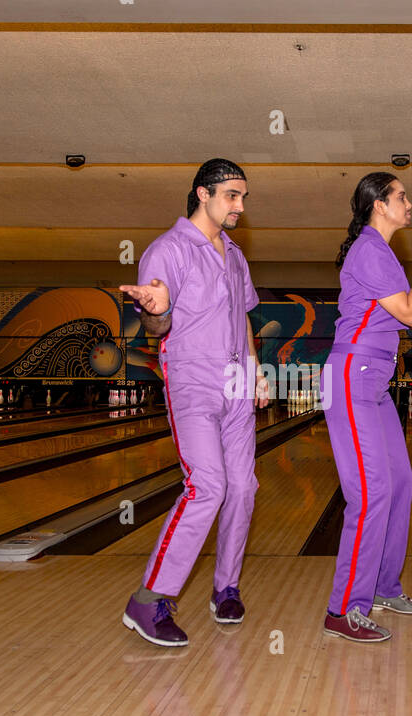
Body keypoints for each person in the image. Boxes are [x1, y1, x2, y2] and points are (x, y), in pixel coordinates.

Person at [118, 159, 269, 647]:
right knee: (207, 487)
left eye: (243, 197)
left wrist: (255, 369)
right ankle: (149, 599)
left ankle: (226, 586)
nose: (239, 206)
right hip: (193, 383)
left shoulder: (235, 255)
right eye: (231, 195)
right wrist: (154, 311)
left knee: (243, 488)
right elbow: (157, 323)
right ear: (203, 193)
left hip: (235, 384)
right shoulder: (168, 250)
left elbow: (243, 316)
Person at [321, 173, 412, 642]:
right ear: (379, 204)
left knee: (399, 481)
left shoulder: (383, 253)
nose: (409, 203)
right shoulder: (371, 251)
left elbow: (411, 311)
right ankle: (343, 610)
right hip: (351, 377)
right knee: (371, 491)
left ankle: (381, 585)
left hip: (373, 381)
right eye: (401, 196)